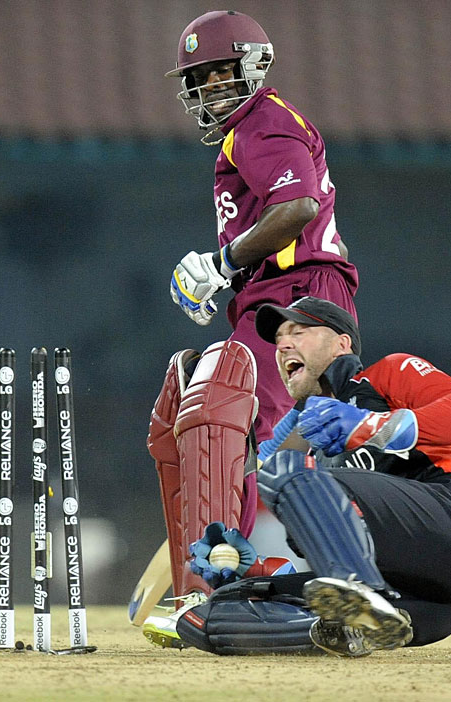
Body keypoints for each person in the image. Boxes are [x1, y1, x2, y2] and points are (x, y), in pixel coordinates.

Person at [144, 296, 451, 657]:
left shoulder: (387, 375)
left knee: (287, 471)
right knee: (206, 616)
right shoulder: (309, 448)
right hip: (417, 604)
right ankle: (343, 627)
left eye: (298, 331)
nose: (283, 345)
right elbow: (314, 544)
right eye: (279, 338)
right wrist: (250, 567)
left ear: (342, 343)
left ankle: (355, 590)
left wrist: (372, 425)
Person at [165, 10, 359, 449]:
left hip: (291, 295)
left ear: (252, 65)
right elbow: (332, 241)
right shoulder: (254, 128)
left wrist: (221, 264)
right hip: (297, 292)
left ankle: (236, 506)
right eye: (200, 77)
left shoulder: (261, 122)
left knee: (231, 424)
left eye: (222, 71)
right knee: (256, 431)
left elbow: (298, 206)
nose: (211, 86)